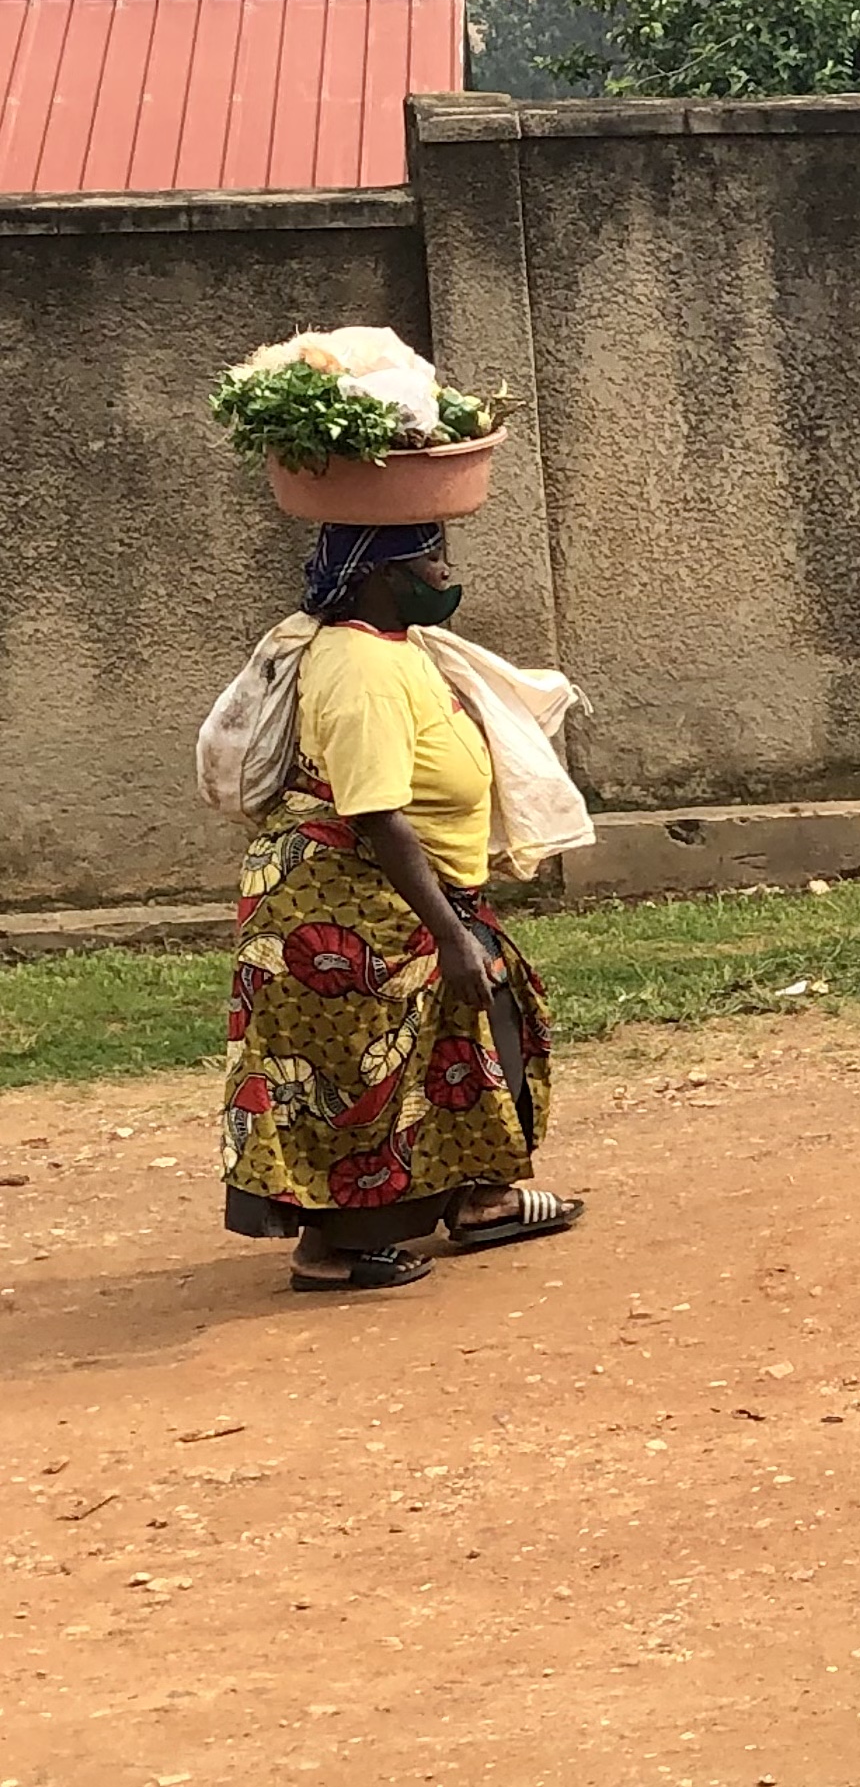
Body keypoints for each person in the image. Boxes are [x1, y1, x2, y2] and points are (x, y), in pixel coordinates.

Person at [221, 523, 582, 1292]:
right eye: (427, 557)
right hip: (346, 900)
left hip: (391, 891)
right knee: (357, 1068)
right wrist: (447, 934)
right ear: (375, 574)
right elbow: (378, 812)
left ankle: (482, 1199)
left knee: (477, 1030)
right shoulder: (361, 667)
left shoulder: (396, 647)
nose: (444, 570)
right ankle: (333, 1249)